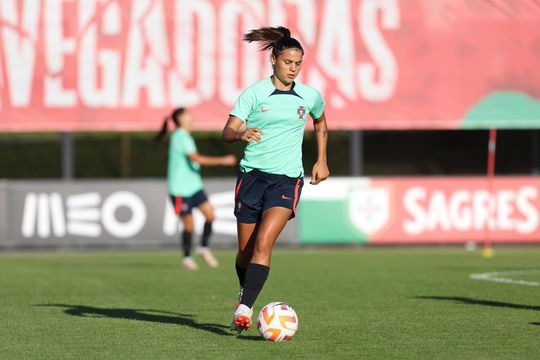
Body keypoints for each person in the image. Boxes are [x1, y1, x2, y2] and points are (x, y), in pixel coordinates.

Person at [221, 26, 329, 333]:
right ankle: (245, 296)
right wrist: (240, 133)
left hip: (287, 180)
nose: (293, 68)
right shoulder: (254, 94)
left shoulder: (309, 96)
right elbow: (226, 131)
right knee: (245, 253)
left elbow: (320, 122)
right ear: (273, 59)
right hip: (252, 178)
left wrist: (321, 159)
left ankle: (245, 307)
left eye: (298, 63)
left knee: (264, 244)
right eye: (287, 62)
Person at [156, 108, 236, 270]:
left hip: (194, 187)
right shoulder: (179, 136)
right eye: (189, 116)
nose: (192, 119)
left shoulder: (186, 137)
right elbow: (196, 159)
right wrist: (223, 160)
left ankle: (203, 248)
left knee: (211, 216)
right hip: (180, 190)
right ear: (180, 119)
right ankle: (186, 258)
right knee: (189, 226)